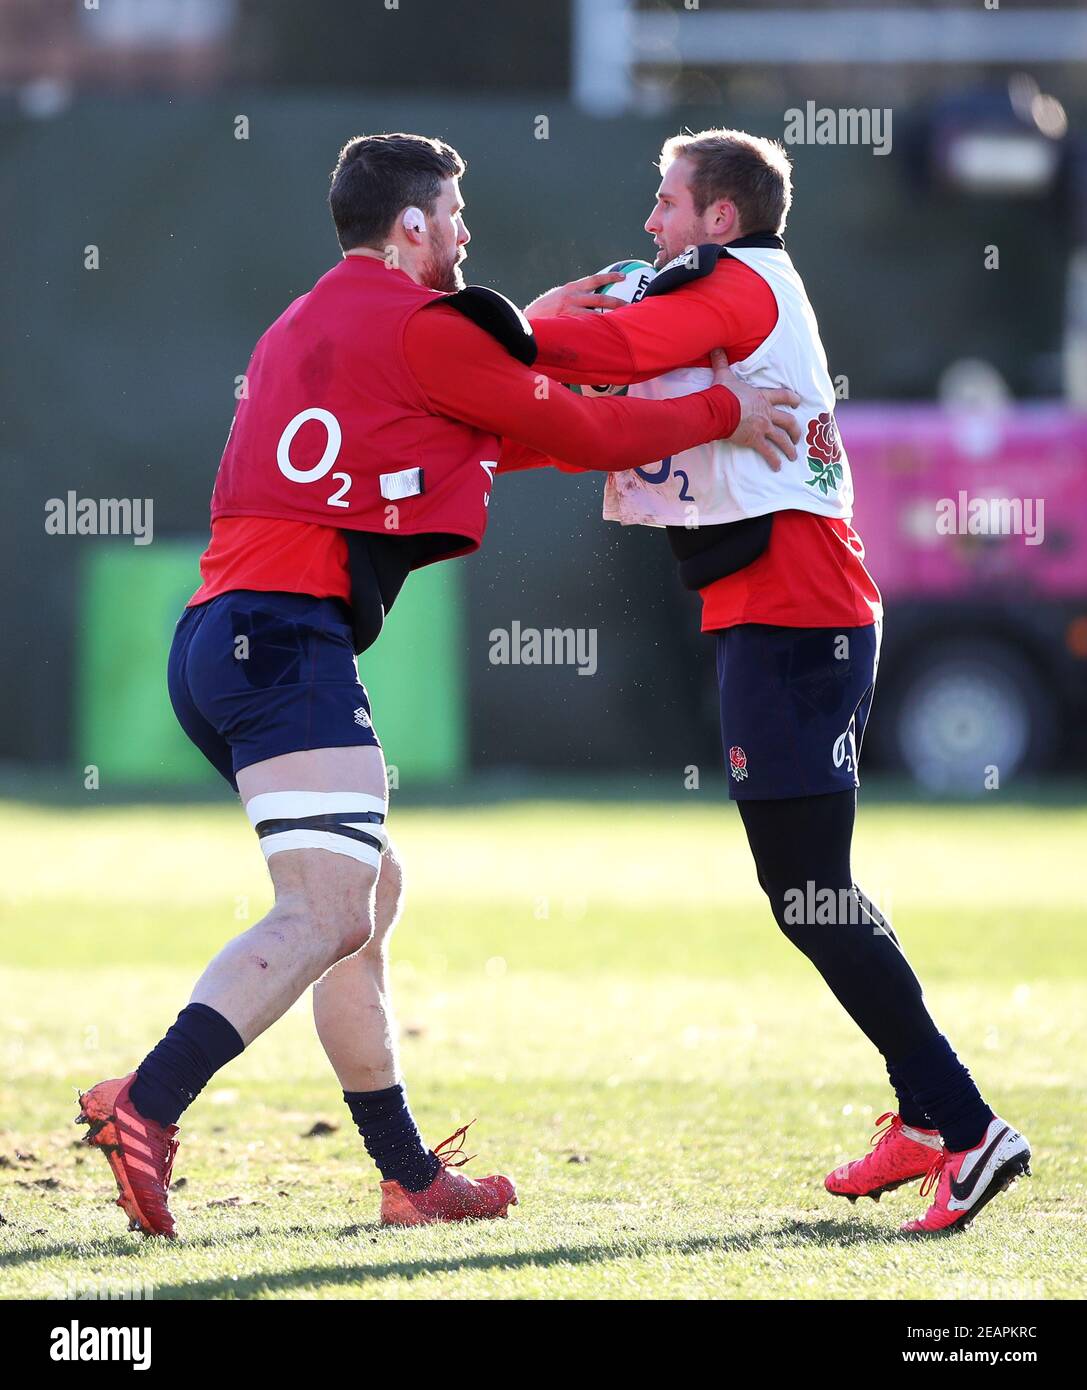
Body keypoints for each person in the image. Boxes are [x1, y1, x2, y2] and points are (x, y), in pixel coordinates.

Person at [76, 131, 801, 1237]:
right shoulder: (420, 328)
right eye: (455, 215)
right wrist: (720, 413)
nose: (467, 234)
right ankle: (149, 1100)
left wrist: (539, 332)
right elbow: (580, 426)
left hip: (221, 638)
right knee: (324, 911)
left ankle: (408, 1177)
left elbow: (484, 437)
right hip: (279, 638)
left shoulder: (306, 320)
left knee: (364, 901)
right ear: (411, 226)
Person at [519, 128, 1031, 1235]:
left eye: (666, 201)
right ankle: (928, 1116)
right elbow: (596, 389)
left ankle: (969, 1126)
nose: (650, 220)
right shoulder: (723, 285)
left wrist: (529, 322)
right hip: (779, 610)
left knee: (809, 894)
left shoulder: (734, 282)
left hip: (797, 613)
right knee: (810, 891)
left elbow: (599, 349)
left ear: (719, 215)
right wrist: (550, 325)